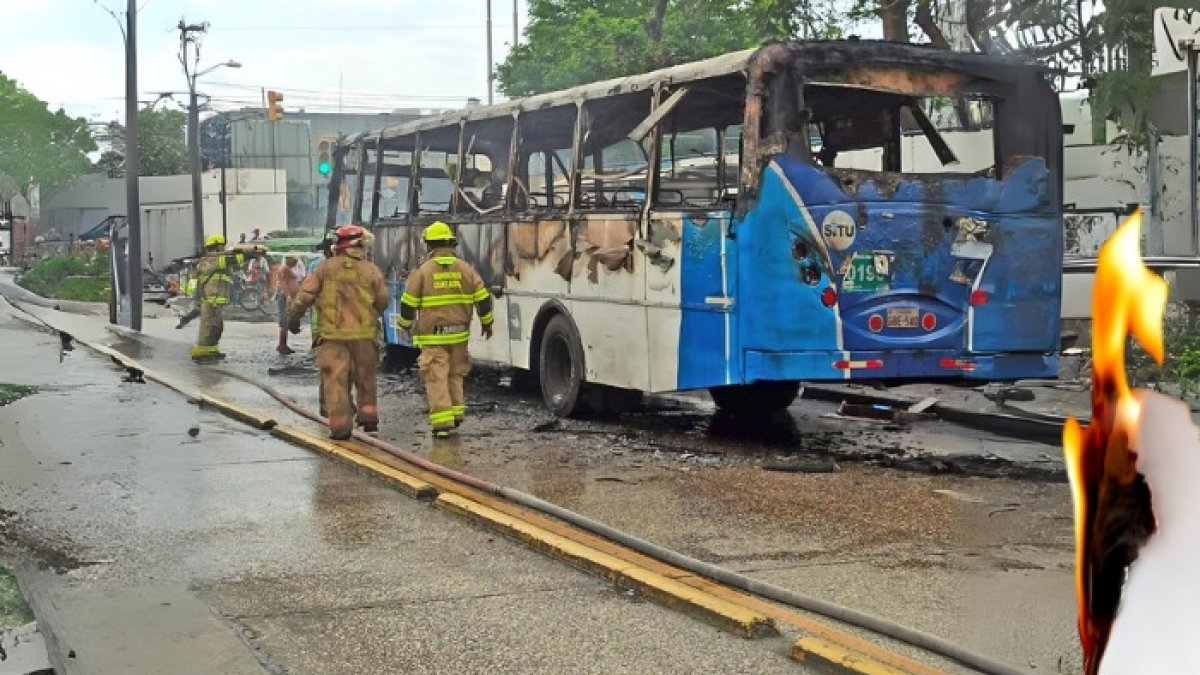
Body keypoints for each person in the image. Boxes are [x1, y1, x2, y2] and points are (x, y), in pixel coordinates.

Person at [288, 224, 388, 440]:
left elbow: (304, 297)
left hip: (333, 338)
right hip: (364, 336)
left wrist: (293, 318)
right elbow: (383, 301)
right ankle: (368, 417)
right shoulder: (370, 270)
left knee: (336, 379)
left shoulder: (325, 268)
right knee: (366, 377)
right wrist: (369, 316)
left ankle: (341, 427)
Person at [396, 221, 493, 438]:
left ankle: (442, 423)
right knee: (456, 374)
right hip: (459, 334)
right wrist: (487, 323)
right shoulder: (466, 269)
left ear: (429, 245)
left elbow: (408, 303)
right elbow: (483, 298)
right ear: (451, 243)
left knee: (436, 376)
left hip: (433, 337)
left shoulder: (422, 272)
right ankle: (457, 414)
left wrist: (404, 326)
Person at [190, 234, 245, 362]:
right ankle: (202, 354)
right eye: (221, 246)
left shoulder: (218, 259)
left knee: (216, 327)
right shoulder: (211, 260)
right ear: (216, 247)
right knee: (208, 328)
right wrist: (245, 254)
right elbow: (233, 261)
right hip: (210, 301)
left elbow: (234, 264)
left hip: (217, 301)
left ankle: (212, 351)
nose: (223, 248)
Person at [275, 255, 302, 355]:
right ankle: (282, 346)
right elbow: (283, 283)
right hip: (284, 298)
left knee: (287, 320)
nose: (296, 263)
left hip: (287, 298)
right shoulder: (284, 269)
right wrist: (288, 296)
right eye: (294, 261)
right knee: (284, 321)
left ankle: (283, 345)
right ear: (289, 260)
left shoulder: (287, 269)